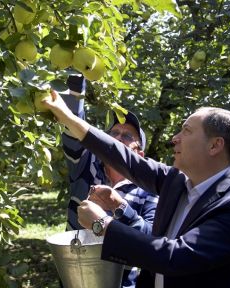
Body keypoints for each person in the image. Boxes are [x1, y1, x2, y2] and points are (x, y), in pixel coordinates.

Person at [42, 90, 230, 288]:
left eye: (187, 131)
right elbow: (126, 159)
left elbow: (174, 258)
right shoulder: (178, 181)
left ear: (215, 145)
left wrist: (102, 224)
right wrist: (68, 117)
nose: (175, 138)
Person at [60, 75, 158, 287]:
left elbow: (150, 239)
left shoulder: (148, 192)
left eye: (127, 136)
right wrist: (77, 80)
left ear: (139, 154)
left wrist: (120, 208)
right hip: (77, 277)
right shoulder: (85, 167)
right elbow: (72, 130)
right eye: (113, 132)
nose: (117, 138)